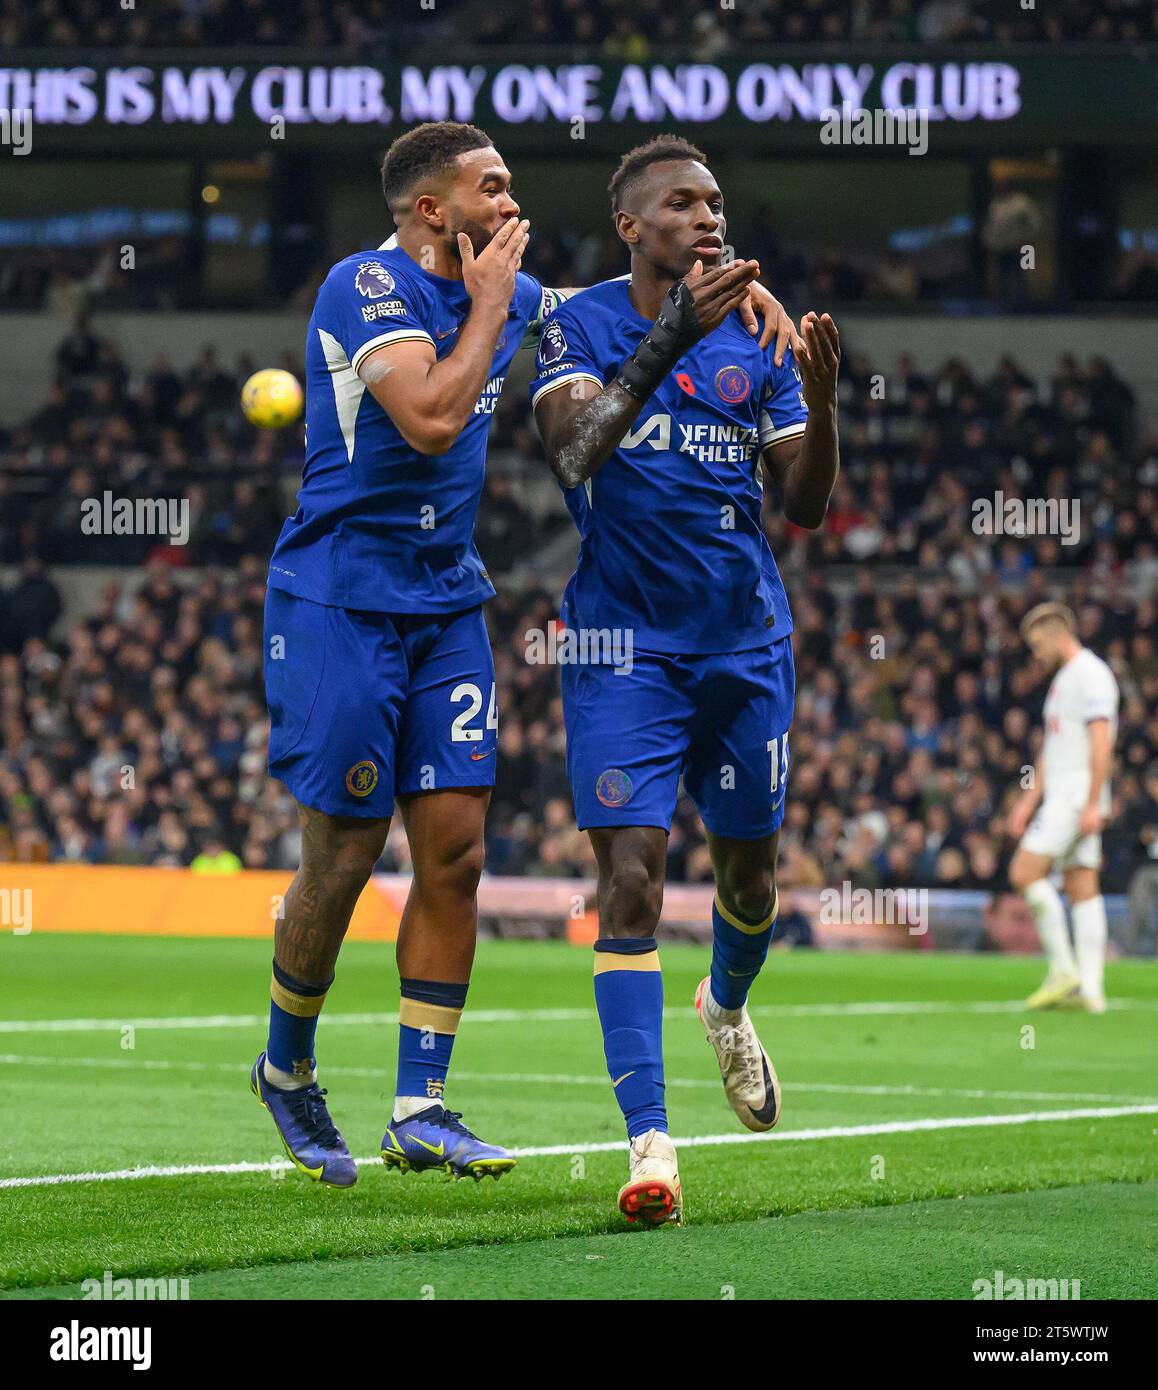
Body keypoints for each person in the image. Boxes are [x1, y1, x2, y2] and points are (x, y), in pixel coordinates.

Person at [255, 121, 796, 1189]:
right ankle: (287, 1064)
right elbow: (429, 416)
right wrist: (495, 302)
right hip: (337, 597)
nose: (511, 205)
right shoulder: (363, 286)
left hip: (448, 597)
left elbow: (620, 315)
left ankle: (420, 1104)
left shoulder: (527, 295)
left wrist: (740, 302)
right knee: (349, 849)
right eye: (490, 189)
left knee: (454, 850)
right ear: (430, 211)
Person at [530, 135, 840, 1225]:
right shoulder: (576, 322)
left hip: (746, 643)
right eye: (682, 204)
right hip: (623, 650)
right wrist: (674, 333)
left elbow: (801, 508)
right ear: (631, 225)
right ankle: (650, 1140)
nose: (708, 218)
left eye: (714, 202)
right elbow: (573, 454)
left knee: (750, 881)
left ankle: (728, 1002)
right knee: (631, 883)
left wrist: (823, 399)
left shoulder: (758, 336)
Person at [1007, 603, 1120, 1012]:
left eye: (1038, 645)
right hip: (1068, 793)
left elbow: (1102, 741)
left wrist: (1093, 801)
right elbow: (1053, 749)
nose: (1036, 654)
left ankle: (1062, 968)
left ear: (1058, 636)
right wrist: (1028, 800)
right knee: (1081, 884)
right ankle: (1091, 990)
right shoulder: (1065, 680)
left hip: (1076, 794)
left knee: (1023, 872)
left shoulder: (1091, 675)